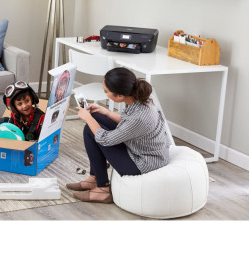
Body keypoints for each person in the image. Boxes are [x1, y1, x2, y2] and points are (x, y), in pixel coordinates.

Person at [66, 67, 171, 204]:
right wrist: (106, 112)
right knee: (95, 117)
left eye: (106, 91)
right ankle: (94, 179)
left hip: (142, 162)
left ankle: (102, 190)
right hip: (140, 149)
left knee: (91, 127)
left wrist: (88, 118)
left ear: (120, 96)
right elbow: (129, 123)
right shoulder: (141, 98)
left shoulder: (139, 117)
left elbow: (105, 139)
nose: (104, 93)